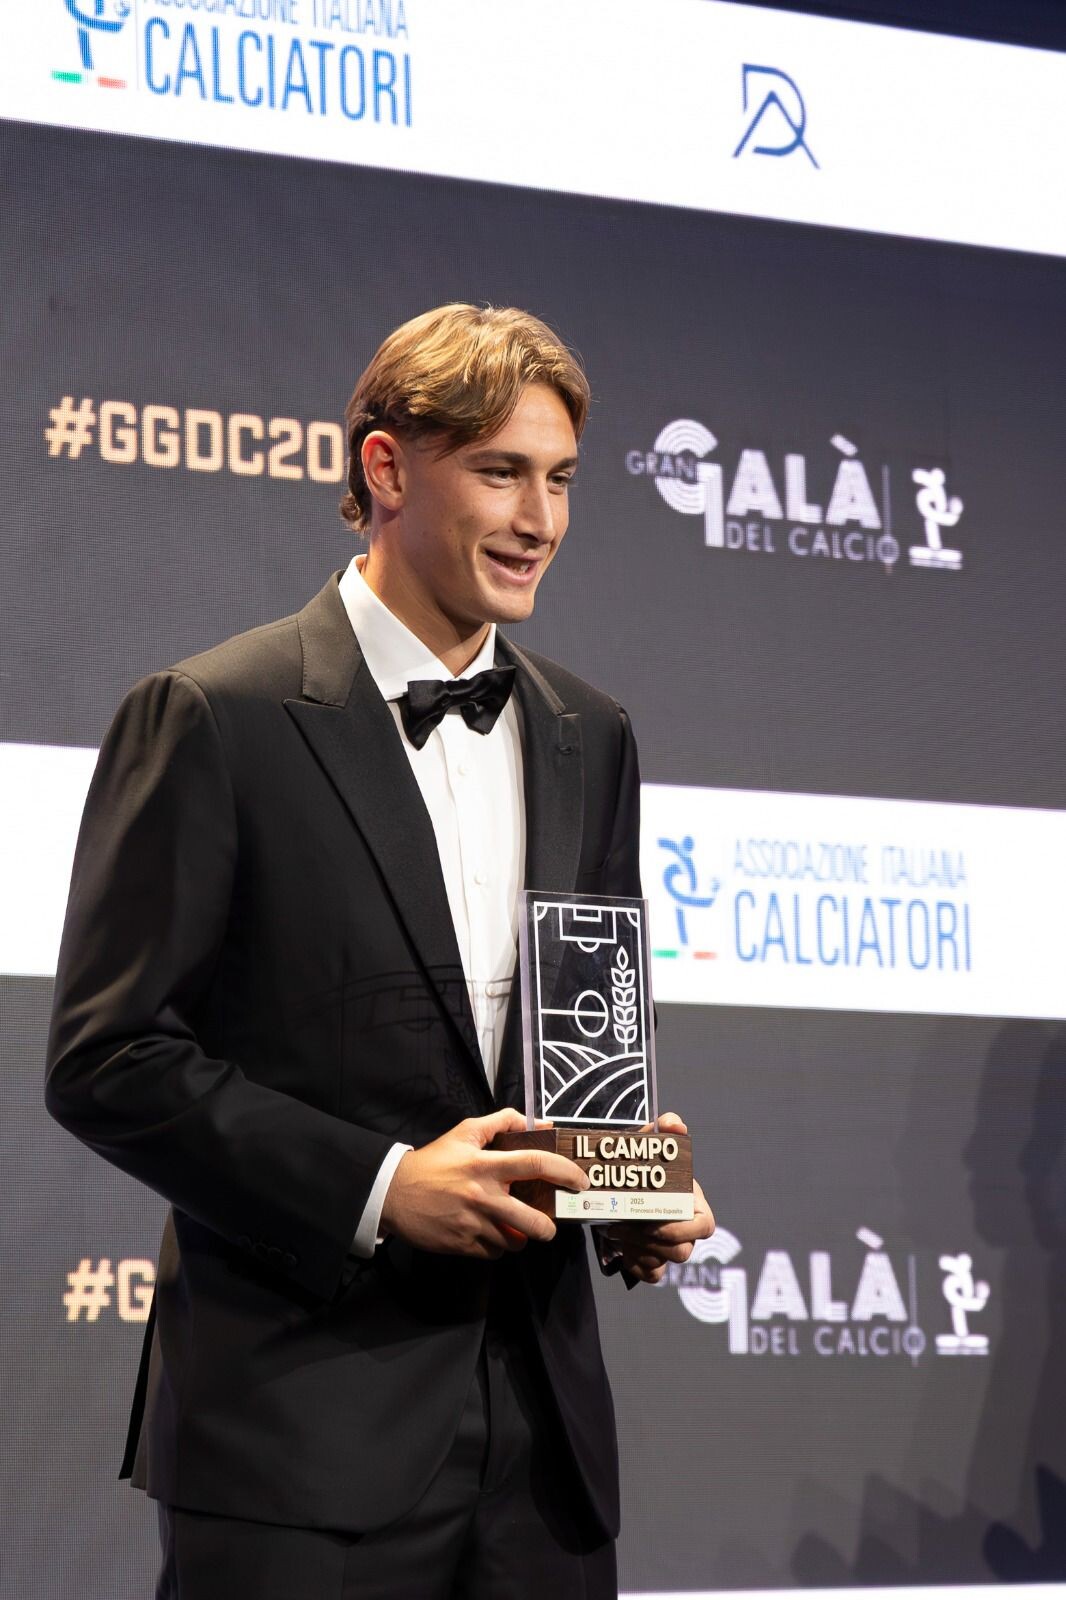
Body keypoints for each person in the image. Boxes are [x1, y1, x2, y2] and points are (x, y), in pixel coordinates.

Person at [45, 304, 714, 1599]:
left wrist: (628, 1194)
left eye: (561, 479)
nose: (541, 520)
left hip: (545, 1458)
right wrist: (377, 1186)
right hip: (297, 1446)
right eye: (501, 472)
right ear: (386, 470)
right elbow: (108, 1057)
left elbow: (587, 1045)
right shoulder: (211, 717)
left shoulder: (591, 730)